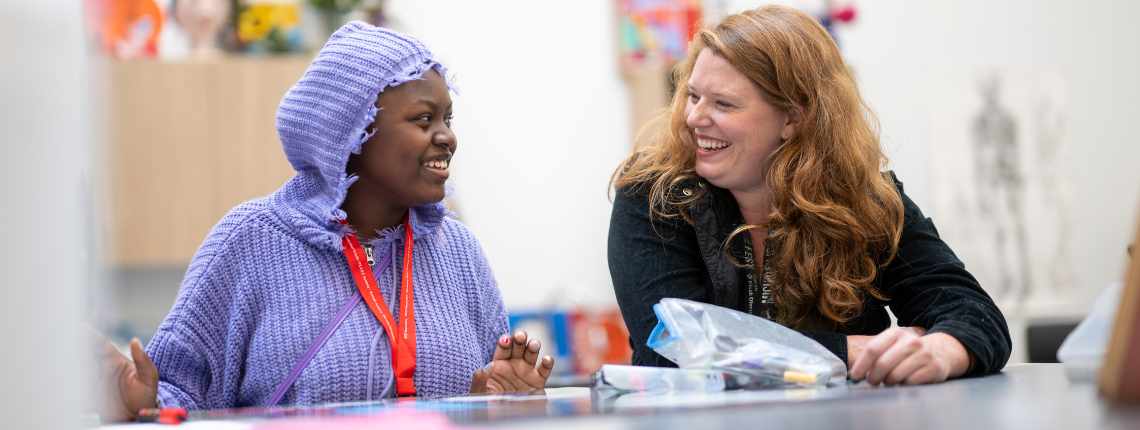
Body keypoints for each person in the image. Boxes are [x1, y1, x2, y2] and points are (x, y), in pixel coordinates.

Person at [100, 22, 553, 421]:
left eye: (447, 119)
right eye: (423, 119)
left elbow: (487, 394)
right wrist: (142, 401)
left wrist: (497, 401)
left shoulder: (459, 252)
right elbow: (176, 393)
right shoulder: (250, 240)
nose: (447, 137)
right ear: (352, 132)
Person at [608, 5, 1011, 386]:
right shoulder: (652, 195)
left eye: (723, 104)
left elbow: (972, 313)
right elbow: (675, 350)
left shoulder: (868, 200)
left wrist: (941, 350)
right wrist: (855, 351)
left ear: (793, 118)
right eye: (693, 96)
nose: (694, 117)